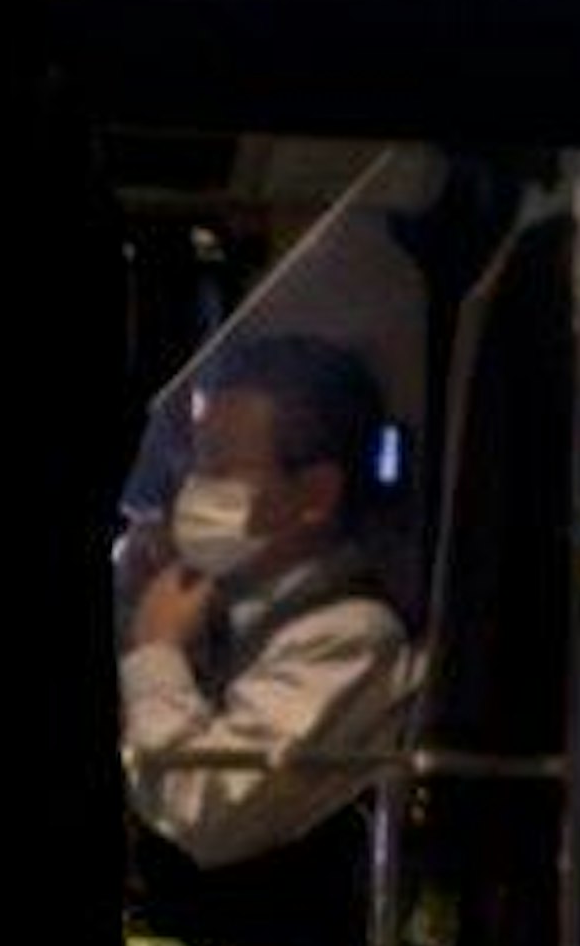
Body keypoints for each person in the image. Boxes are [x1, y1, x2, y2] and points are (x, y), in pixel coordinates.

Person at [118, 330, 415, 872]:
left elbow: (210, 813)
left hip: (276, 944)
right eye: (192, 466)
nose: (192, 490)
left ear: (315, 495)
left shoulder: (351, 634)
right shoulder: (219, 606)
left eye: (219, 469)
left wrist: (156, 654)